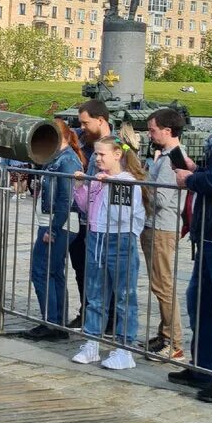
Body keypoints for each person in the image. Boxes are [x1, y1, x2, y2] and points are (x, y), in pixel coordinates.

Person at [71, 133, 148, 370]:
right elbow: (86, 208)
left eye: (102, 154)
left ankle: (125, 348)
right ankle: (92, 342)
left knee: (124, 295)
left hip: (120, 238)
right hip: (97, 236)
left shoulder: (126, 181)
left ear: (117, 155)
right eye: (96, 153)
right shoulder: (99, 178)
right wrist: (82, 187)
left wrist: (109, 187)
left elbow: (123, 216)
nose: (97, 158)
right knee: (95, 293)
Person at [170, 91, 212, 401]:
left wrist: (189, 180)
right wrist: (194, 170)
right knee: (198, 301)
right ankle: (201, 367)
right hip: (208, 233)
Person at [20, 123, 84, 341]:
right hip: (54, 221)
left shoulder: (66, 160)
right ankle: (56, 322)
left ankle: (52, 321)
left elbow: (66, 198)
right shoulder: (57, 159)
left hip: (57, 223)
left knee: (42, 271)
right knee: (53, 272)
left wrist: (53, 229)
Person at [141, 107, 187, 361]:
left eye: (153, 130)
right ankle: (165, 333)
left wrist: (139, 182)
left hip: (162, 226)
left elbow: (161, 197)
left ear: (167, 131)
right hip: (156, 225)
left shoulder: (172, 159)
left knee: (163, 285)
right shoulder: (166, 155)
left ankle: (174, 342)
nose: (150, 135)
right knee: (160, 283)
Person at [68, 99, 114, 327]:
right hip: (84, 217)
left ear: (101, 120)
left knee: (106, 272)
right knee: (81, 267)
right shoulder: (84, 142)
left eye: (86, 123)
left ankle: (109, 318)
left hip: (105, 222)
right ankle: (87, 310)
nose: (82, 127)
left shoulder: (119, 147)